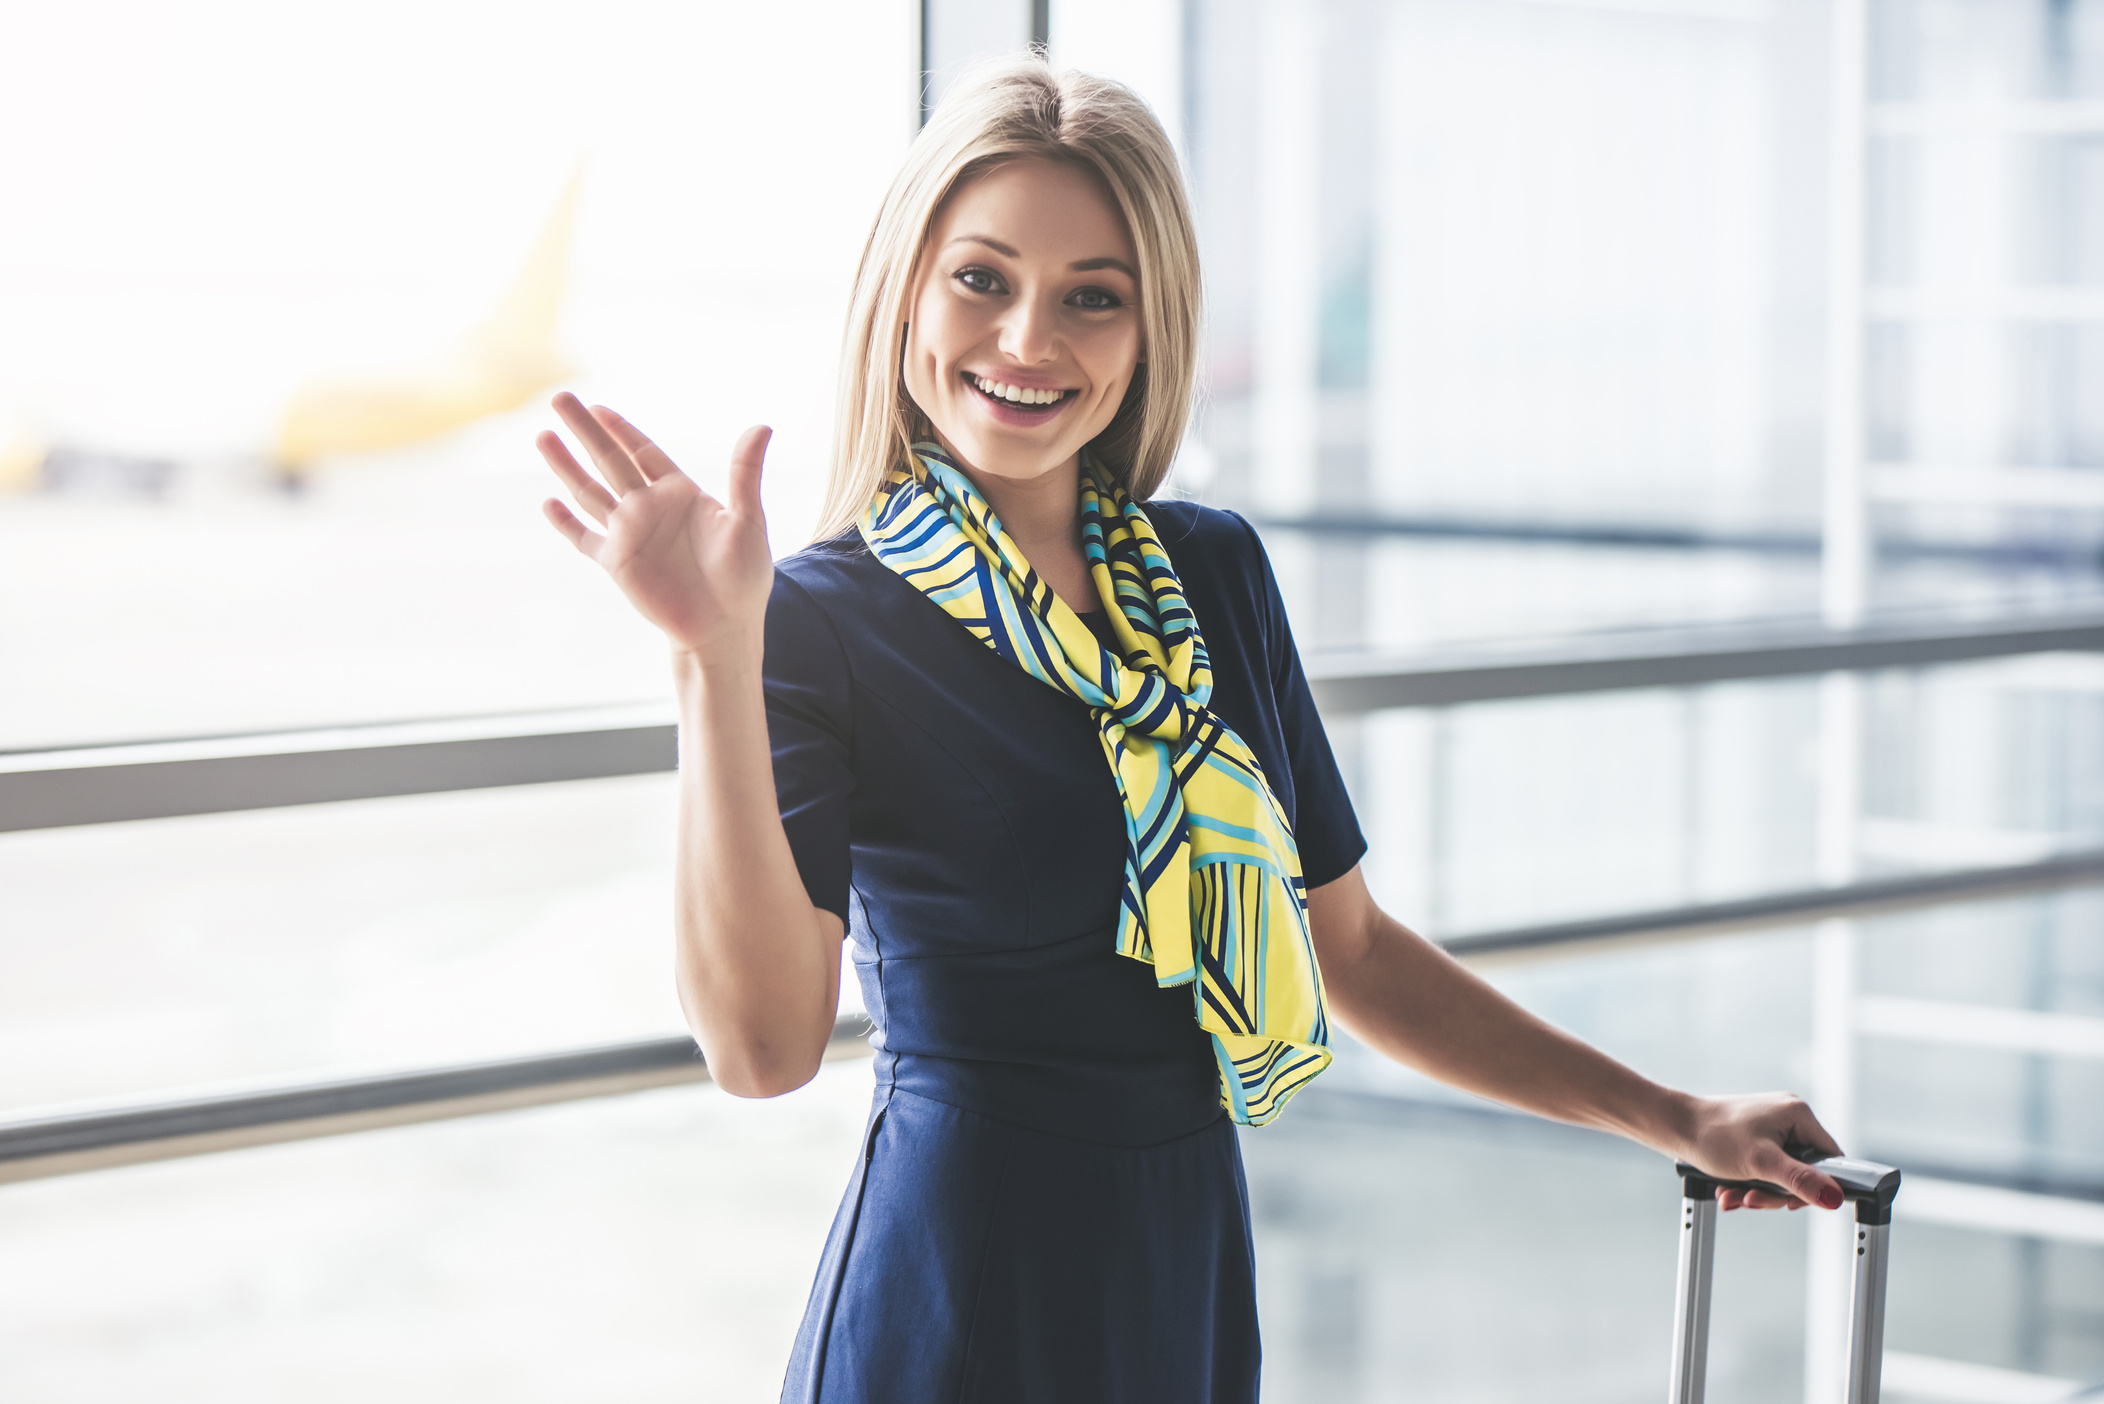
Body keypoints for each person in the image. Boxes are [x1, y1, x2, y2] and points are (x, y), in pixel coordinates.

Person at [536, 56, 1846, 1404]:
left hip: (1182, 1271)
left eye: (1091, 298)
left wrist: (1676, 1120)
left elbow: (1356, 955)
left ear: (1151, 329)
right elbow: (761, 1053)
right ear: (904, 293)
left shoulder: (1211, 576)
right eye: (982, 279)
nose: (1029, 341)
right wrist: (710, 652)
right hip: (959, 1294)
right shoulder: (811, 620)